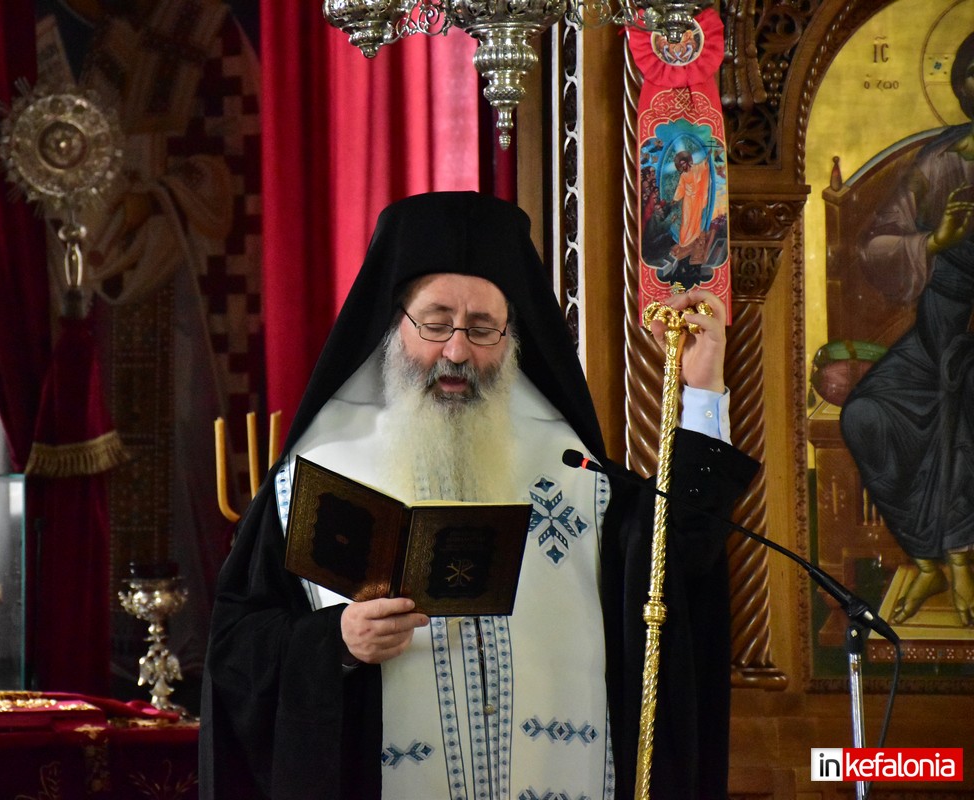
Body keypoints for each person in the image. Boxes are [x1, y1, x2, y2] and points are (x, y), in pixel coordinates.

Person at [200, 191, 758, 799]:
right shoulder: (318, 476)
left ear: (512, 336)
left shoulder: (574, 474)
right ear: (393, 324)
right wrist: (336, 642)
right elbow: (236, 652)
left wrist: (702, 390)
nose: (457, 351)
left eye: (483, 328)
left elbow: (677, 565)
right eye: (436, 323)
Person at [840, 30, 974, 627]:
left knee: (961, 404)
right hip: (935, 334)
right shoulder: (940, 162)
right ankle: (928, 559)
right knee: (865, 415)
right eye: (972, 72)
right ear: (959, 84)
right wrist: (934, 242)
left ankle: (961, 558)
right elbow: (875, 245)